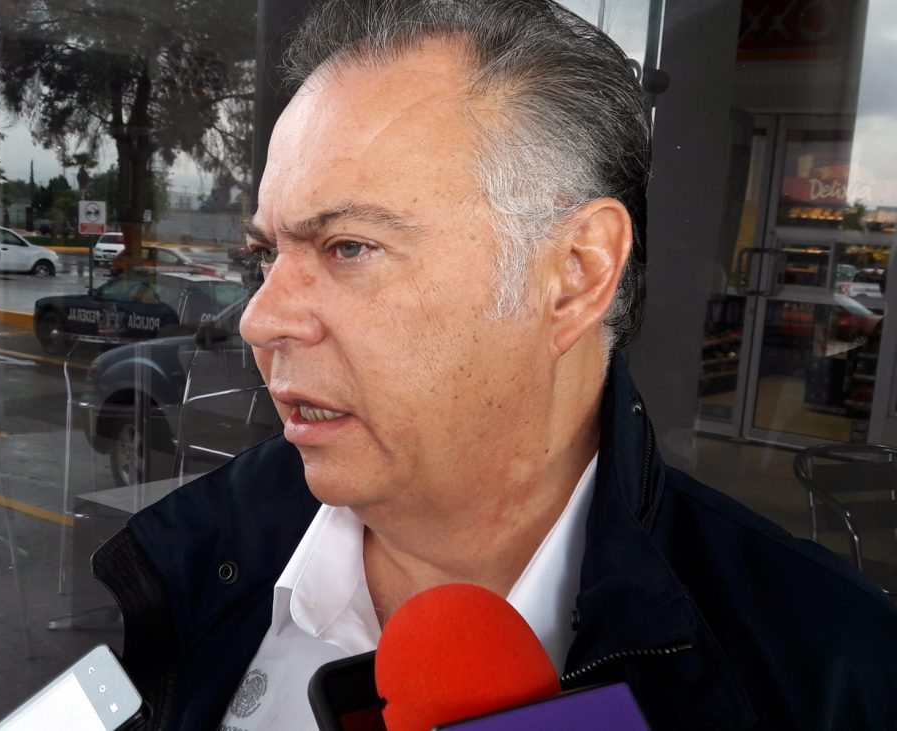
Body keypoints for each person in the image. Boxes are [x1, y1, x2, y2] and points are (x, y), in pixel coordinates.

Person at [93, 1, 897, 729]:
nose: (260, 319)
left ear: (574, 274)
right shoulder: (188, 553)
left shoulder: (831, 675)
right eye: (266, 255)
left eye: (348, 247)